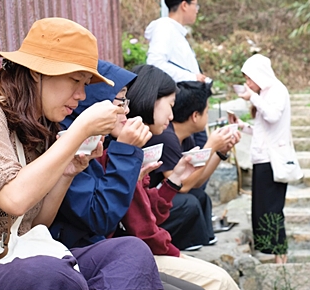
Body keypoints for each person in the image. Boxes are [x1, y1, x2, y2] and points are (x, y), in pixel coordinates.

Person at [0, 18, 163, 290]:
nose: (81, 95)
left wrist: (68, 172)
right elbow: (14, 199)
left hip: (13, 258)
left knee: (129, 251)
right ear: (37, 73)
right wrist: (80, 130)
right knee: (49, 272)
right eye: (75, 80)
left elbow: (34, 224)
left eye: (85, 84)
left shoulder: (36, 130)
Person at [51, 60, 204, 290]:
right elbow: (108, 219)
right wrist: (125, 154)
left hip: (107, 251)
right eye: (120, 100)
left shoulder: (105, 142)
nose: (126, 110)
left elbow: (144, 216)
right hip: (89, 256)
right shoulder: (82, 143)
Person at [102, 65, 240, 290]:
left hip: (128, 246)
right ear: (151, 99)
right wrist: (211, 147)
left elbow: (152, 206)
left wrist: (214, 153)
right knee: (219, 280)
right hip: (118, 252)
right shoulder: (130, 145)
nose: (125, 112)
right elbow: (143, 225)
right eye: (120, 102)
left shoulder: (135, 142)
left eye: (126, 103)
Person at [144, 80, 239, 251]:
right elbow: (182, 186)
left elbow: (196, 181)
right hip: (149, 206)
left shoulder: (186, 137)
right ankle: (181, 244)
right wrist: (210, 146)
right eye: (207, 111)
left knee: (201, 197)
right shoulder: (166, 137)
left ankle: (202, 241)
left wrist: (220, 152)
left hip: (163, 197)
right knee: (188, 202)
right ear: (195, 116)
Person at [227, 54, 291, 264]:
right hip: (263, 160)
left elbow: (273, 116)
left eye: (249, 78)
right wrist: (242, 125)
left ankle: (281, 258)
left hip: (272, 161)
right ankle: (276, 256)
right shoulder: (265, 93)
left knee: (272, 209)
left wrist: (252, 97)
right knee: (263, 209)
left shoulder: (277, 91)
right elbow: (264, 130)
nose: (247, 84)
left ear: (259, 75)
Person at [145, 0, 210, 148]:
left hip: (190, 106)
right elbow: (155, 63)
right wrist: (192, 77)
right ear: (184, 5)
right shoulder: (164, 28)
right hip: (182, 108)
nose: (197, 10)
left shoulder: (174, 30)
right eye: (195, 5)